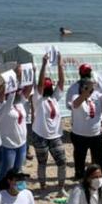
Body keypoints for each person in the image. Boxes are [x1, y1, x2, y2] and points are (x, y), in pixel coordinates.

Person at [32, 55, 67, 195]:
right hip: (40, 135)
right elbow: (40, 84)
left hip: (55, 136)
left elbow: (62, 82)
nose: (49, 87)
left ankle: (61, 188)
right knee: (42, 163)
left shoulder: (54, 98)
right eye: (48, 85)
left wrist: (59, 65)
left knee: (62, 162)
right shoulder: (38, 98)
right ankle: (42, 186)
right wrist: (43, 65)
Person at [69, 71, 102, 179]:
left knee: (99, 160)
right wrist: (88, 89)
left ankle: (100, 178)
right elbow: (76, 104)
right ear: (81, 88)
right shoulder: (76, 97)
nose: (89, 91)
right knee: (80, 160)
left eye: (90, 89)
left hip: (96, 134)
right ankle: (80, 177)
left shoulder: (96, 97)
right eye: (86, 88)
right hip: (80, 135)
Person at [0, 69, 31, 178]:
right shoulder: (1, 105)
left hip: (22, 143)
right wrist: (11, 77)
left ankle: (13, 193)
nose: (17, 92)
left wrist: (28, 73)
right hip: (8, 145)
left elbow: (29, 87)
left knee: (17, 171)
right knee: (5, 174)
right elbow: (0, 91)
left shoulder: (19, 103)